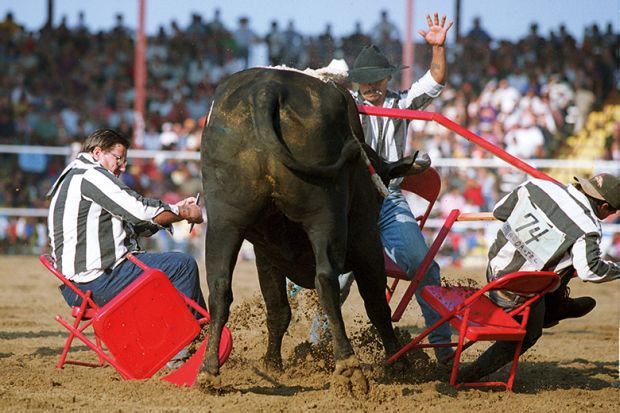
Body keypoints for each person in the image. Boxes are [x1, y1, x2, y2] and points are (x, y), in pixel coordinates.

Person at [310, 13, 455, 364]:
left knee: (424, 267)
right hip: (351, 201)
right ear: (356, 83)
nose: (371, 86)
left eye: (377, 80)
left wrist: (437, 48)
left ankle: (443, 349)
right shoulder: (344, 106)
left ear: (388, 78)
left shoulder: (401, 104)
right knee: (339, 275)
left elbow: (436, 79)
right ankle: (318, 347)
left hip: (388, 200)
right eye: (365, 81)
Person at [459, 173, 620, 383]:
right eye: (614, 211)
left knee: (562, 260)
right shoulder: (588, 227)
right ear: (604, 206)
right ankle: (468, 375)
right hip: (515, 293)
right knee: (529, 334)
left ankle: (555, 305)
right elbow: (590, 270)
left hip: (495, 270)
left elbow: (500, 211)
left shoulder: (537, 185)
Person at [46, 129, 205, 318]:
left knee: (169, 264)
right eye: (118, 159)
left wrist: (175, 210)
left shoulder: (75, 174)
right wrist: (184, 212)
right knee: (182, 265)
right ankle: (196, 336)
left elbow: (134, 223)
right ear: (97, 153)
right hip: (97, 282)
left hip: (80, 285)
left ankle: (180, 332)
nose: (122, 167)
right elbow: (139, 210)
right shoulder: (91, 175)